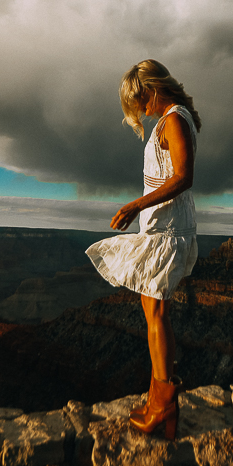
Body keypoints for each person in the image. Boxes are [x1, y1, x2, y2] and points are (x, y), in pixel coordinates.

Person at [85, 59, 202, 440]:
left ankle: (164, 402)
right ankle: (158, 398)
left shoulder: (173, 120)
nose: (139, 110)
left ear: (151, 89)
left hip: (167, 227)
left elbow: (184, 177)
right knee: (153, 310)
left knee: (156, 312)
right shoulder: (172, 117)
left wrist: (136, 204)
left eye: (138, 101)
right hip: (161, 224)